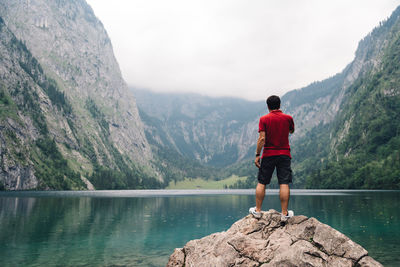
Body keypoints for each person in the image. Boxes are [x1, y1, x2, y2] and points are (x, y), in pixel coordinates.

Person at [249, 95, 295, 219]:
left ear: (268, 106)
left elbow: (262, 139)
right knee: (284, 183)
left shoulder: (264, 119)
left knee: (262, 182)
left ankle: (257, 211)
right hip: (284, 154)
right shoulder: (288, 118)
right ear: (279, 105)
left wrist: (257, 155)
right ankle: (284, 214)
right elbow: (291, 131)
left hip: (268, 154)